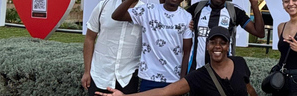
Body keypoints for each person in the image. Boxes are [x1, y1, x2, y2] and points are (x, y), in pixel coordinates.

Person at [96, 26, 258, 96]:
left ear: (228, 46)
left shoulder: (239, 63)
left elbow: (247, 87)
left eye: (222, 43)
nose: (217, 46)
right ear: (207, 46)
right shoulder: (199, 76)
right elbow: (164, 92)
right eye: (213, 42)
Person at [159, 0, 264, 71]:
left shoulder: (234, 11)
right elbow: (171, 19)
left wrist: (254, 4)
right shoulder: (197, 8)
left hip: (223, 73)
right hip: (196, 72)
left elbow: (259, 32)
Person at [112, 0, 193, 91]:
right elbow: (116, 16)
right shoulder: (148, 10)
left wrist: (182, 79)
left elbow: (187, 51)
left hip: (173, 78)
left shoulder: (187, 17)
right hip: (149, 76)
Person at [82, 0, 145, 96]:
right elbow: (89, 38)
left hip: (128, 77)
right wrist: (87, 71)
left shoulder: (147, 12)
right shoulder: (103, 6)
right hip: (99, 75)